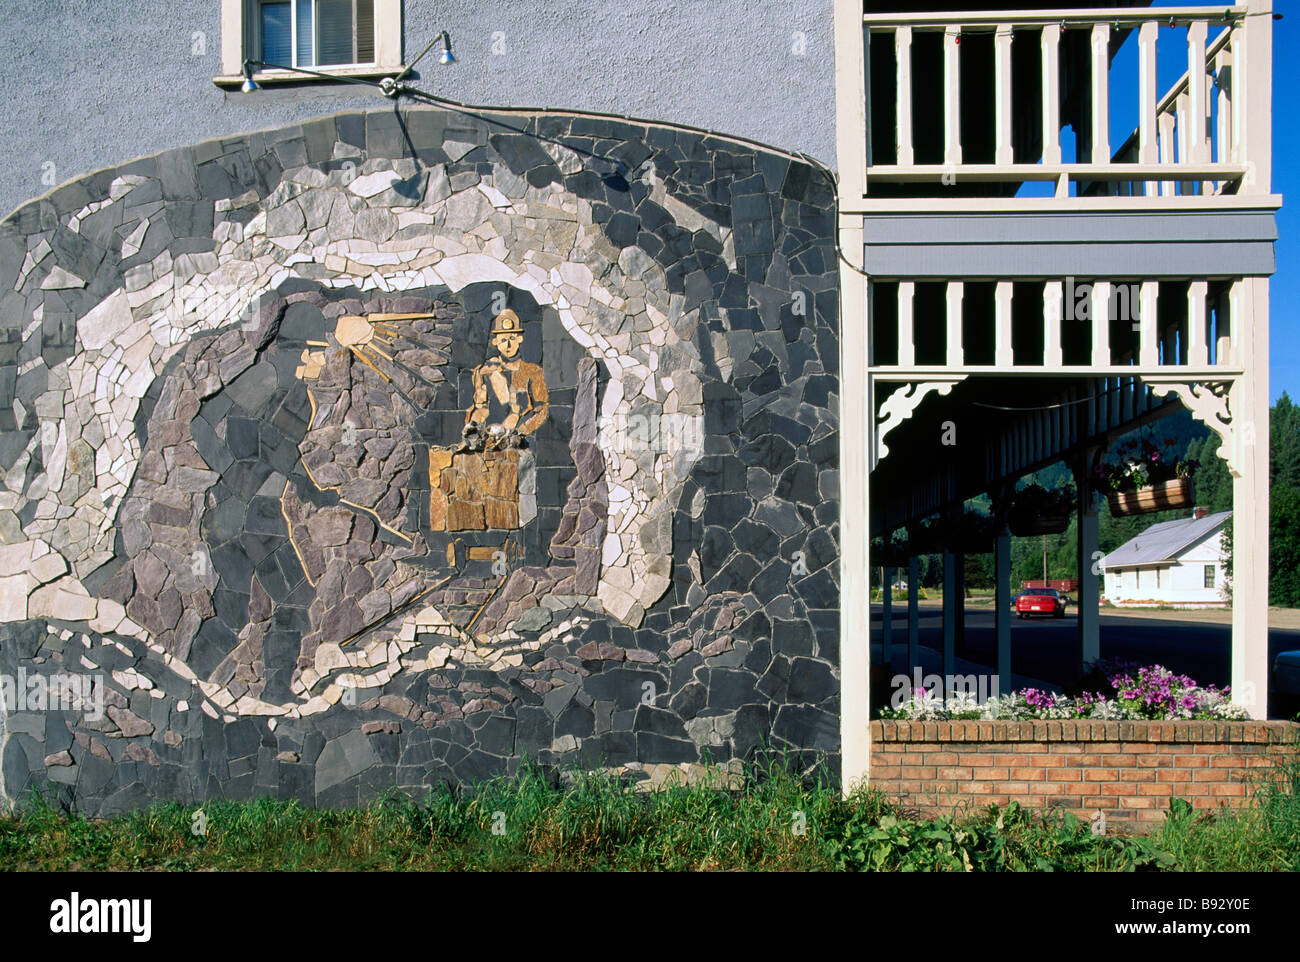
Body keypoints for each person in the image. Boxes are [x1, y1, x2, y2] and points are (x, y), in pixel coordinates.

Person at [461, 309, 549, 451]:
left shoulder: (533, 371)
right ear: (495, 342)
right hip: (488, 441)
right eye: (503, 340)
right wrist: (473, 427)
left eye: (511, 339)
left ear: (519, 339)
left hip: (518, 443)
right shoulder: (485, 371)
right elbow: (480, 408)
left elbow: (542, 409)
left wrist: (521, 430)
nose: (508, 345)